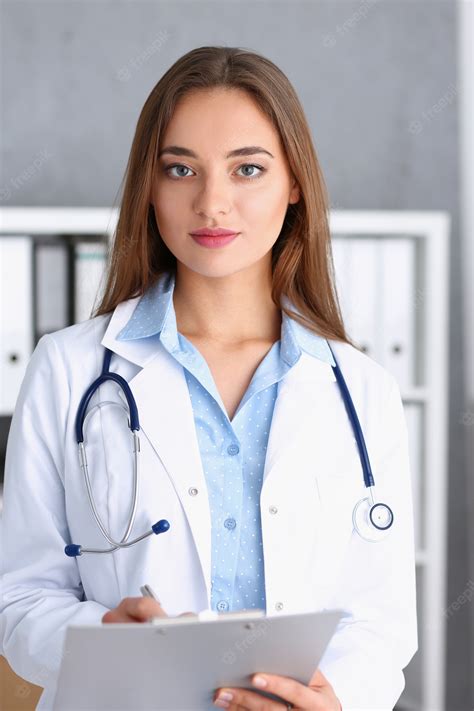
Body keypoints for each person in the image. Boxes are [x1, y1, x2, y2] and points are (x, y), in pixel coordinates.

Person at [0, 46, 417, 710]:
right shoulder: (68, 368)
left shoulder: (360, 389)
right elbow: (19, 598)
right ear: (150, 184)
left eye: (247, 168)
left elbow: (382, 617)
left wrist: (334, 697)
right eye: (180, 169)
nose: (211, 202)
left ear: (294, 183)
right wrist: (102, 632)